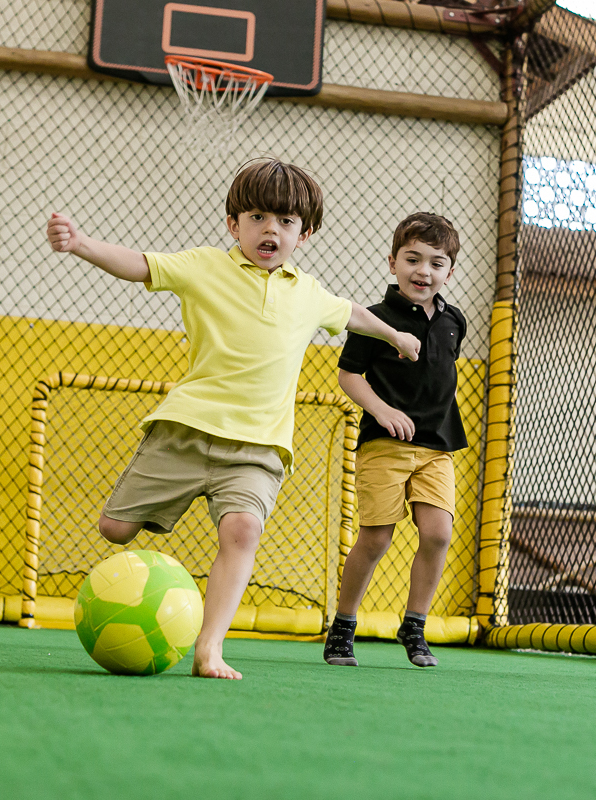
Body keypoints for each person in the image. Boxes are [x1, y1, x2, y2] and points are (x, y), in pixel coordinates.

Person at [45, 159, 420, 680]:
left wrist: (397, 337)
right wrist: (82, 243)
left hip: (259, 446)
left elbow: (353, 313)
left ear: (304, 234)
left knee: (243, 531)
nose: (272, 229)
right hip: (186, 429)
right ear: (233, 224)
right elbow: (141, 264)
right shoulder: (204, 266)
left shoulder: (307, 292)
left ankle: (209, 649)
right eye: (259, 217)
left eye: (286, 222)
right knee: (115, 529)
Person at [323, 212, 467, 668]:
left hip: (437, 447)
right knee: (376, 538)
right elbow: (349, 376)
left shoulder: (453, 321)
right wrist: (383, 411)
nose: (423, 271)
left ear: (449, 271)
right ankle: (343, 627)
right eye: (413, 259)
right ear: (392, 263)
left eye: (436, 263)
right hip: (385, 445)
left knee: (438, 533)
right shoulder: (375, 318)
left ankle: (415, 624)